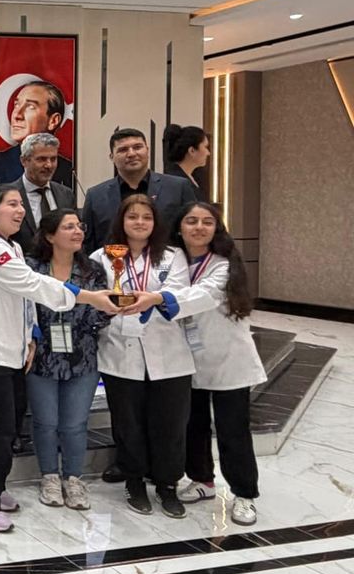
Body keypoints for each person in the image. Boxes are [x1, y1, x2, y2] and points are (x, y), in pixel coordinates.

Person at [0, 184, 117, 533]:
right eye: (11, 205)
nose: (20, 210)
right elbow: (31, 284)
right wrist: (90, 297)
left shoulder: (12, 246)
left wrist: (30, 336)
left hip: (11, 349)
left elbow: (24, 300)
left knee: (8, 426)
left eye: (20, 205)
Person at [90, 193, 196, 519]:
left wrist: (152, 299)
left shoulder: (173, 256)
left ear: (155, 223)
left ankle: (167, 484)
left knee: (170, 424)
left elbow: (179, 293)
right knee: (128, 423)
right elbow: (96, 299)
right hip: (120, 351)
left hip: (168, 352)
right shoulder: (102, 257)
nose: (139, 222)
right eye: (132, 216)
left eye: (146, 217)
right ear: (121, 221)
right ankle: (134, 481)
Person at [170, 202, 265, 525]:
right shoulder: (173, 260)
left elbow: (202, 297)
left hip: (228, 360)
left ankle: (244, 494)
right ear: (179, 227)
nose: (199, 227)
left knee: (232, 430)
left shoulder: (224, 265)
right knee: (193, 425)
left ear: (216, 229)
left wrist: (157, 300)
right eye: (191, 221)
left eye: (207, 222)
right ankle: (202, 480)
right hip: (188, 359)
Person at [26, 209, 110, 511]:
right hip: (41, 354)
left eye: (79, 226)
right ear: (50, 235)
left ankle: (74, 478)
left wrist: (108, 312)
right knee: (45, 421)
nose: (77, 232)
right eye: (69, 227)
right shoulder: (31, 268)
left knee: (75, 423)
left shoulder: (93, 270)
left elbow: (102, 311)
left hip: (81, 355)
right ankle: (49, 476)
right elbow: (23, 308)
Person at [80, 128, 197, 253]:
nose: (131, 154)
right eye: (123, 150)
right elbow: (87, 245)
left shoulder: (178, 188)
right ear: (111, 157)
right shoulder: (95, 196)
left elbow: (193, 231)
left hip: (169, 263)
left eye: (137, 147)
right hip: (113, 264)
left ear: (147, 150)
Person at [0, 80, 74, 186]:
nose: (17, 115)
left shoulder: (69, 173)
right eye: (16, 105)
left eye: (30, 107)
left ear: (53, 121)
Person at [11, 133, 76, 254]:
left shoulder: (66, 194)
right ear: (24, 161)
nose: (49, 165)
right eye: (41, 159)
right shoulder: (8, 195)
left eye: (53, 159)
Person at [162, 125, 212, 203]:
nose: (208, 153)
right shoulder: (174, 180)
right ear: (192, 150)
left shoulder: (195, 177)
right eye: (205, 147)